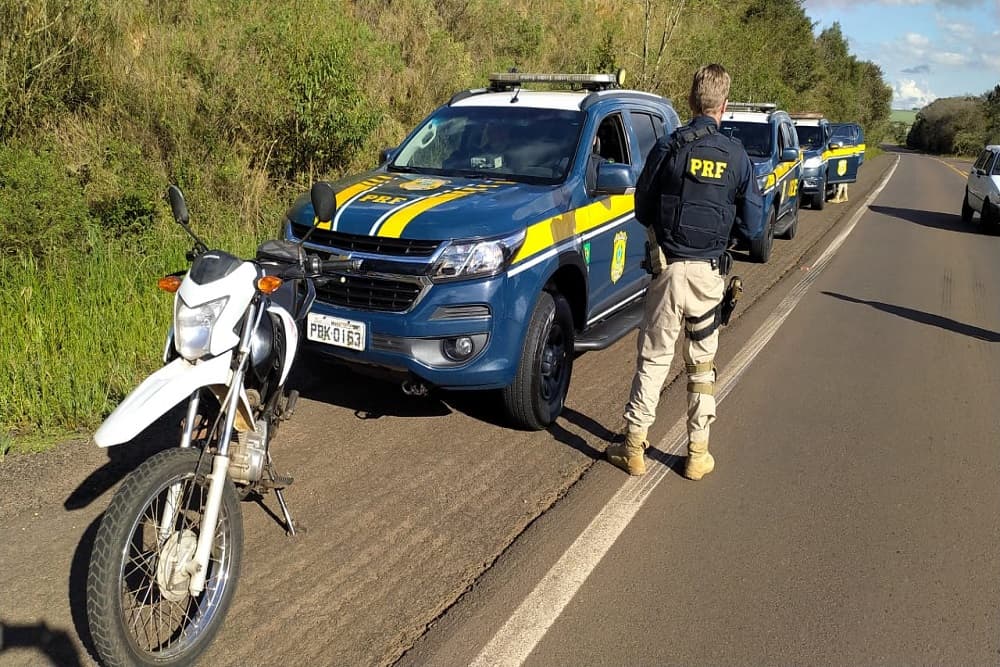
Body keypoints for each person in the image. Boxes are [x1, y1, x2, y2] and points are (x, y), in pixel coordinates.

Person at [606, 63, 763, 480]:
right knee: (701, 365)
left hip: (667, 270)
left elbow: (642, 208)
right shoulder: (737, 157)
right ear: (724, 106)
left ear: (692, 100)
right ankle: (697, 453)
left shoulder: (669, 147)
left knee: (654, 359)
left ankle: (634, 447)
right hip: (710, 276)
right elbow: (754, 226)